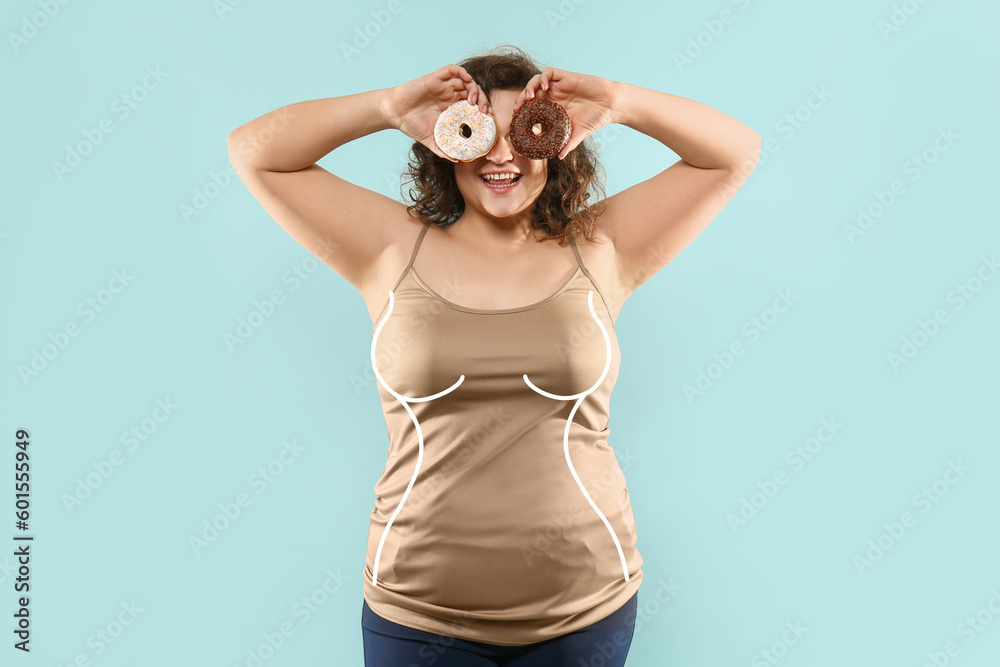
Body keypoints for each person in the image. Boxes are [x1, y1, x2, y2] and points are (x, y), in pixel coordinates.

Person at [228, 45, 759, 667]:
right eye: (478, 135)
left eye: (524, 136)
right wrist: (387, 107)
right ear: (446, 143)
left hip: (584, 611)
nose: (502, 156)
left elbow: (733, 151)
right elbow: (254, 152)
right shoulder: (389, 247)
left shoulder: (602, 245)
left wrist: (616, 102)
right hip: (416, 615)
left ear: (555, 145)